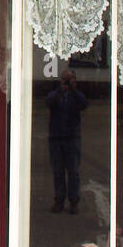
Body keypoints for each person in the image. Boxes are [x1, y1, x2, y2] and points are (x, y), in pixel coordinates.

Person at [45, 69, 88, 213]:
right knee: (58, 172)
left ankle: (74, 201)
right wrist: (60, 90)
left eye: (71, 80)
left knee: (74, 172)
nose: (68, 83)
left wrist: (74, 90)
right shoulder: (56, 94)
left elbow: (84, 104)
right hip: (56, 138)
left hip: (72, 138)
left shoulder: (76, 96)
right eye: (66, 80)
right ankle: (59, 200)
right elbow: (48, 102)